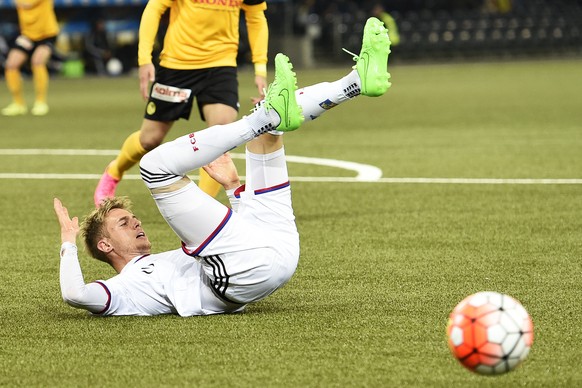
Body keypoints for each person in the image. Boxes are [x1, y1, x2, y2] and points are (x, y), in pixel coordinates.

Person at [54, 18, 391, 317]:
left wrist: (233, 189)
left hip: (277, 252)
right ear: (105, 246)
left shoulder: (170, 259)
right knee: (153, 167)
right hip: (237, 277)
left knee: (271, 126)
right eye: (123, 223)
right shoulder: (122, 290)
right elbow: (75, 294)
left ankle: (356, 82)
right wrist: (69, 242)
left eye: (130, 218)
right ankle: (262, 118)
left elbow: (241, 240)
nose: (136, 222)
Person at [93, 0, 271, 206]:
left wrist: (260, 68)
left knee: (220, 138)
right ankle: (114, 172)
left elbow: (256, 17)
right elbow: (154, 8)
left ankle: (202, 210)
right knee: (149, 139)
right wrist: (144, 59)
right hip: (177, 65)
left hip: (221, 65)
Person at [1, 0, 59, 116]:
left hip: (46, 34)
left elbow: (28, 4)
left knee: (37, 61)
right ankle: (18, 103)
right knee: (11, 65)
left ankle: (41, 102)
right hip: (28, 35)